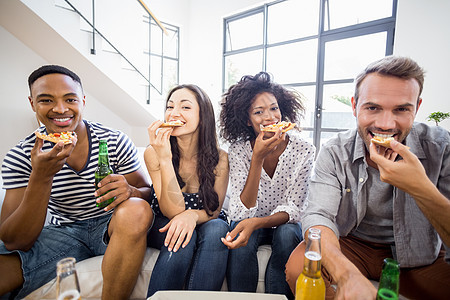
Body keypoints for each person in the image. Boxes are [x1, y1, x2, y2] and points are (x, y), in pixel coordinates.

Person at [285, 56, 450, 300]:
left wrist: (420, 187)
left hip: (419, 256)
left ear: (417, 106)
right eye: (372, 108)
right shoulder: (334, 151)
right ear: (354, 106)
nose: (385, 124)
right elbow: (318, 215)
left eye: (401, 109)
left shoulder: (441, 147)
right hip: (353, 245)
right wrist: (346, 275)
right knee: (300, 266)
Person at [0, 65, 153, 299]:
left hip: (113, 225)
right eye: (46, 100)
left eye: (69, 99)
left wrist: (131, 190)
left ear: (82, 101)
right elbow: (14, 240)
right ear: (32, 104)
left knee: (135, 208)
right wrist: (41, 177)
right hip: (64, 231)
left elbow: (147, 193)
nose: (60, 109)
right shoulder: (20, 156)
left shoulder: (114, 140)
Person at [219, 72, 315, 299]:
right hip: (250, 220)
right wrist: (257, 159)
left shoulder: (304, 150)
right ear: (247, 120)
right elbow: (242, 211)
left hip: (285, 224)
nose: (270, 117)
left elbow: (295, 208)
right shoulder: (239, 150)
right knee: (241, 231)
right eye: (258, 112)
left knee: (286, 234)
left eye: (274, 108)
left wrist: (257, 222)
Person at [144, 84, 230, 296]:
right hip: (164, 219)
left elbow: (214, 210)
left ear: (203, 115)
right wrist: (164, 157)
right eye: (170, 106)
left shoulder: (220, 158)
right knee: (184, 236)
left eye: (185, 107)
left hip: (204, 219)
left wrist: (192, 216)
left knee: (218, 229)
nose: (174, 113)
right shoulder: (153, 153)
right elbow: (172, 212)